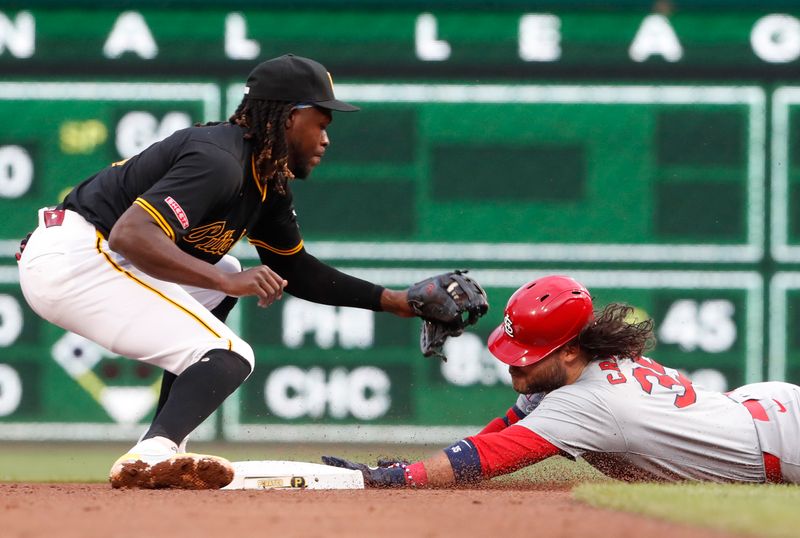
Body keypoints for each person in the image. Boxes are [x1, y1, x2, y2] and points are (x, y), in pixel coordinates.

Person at [16, 54, 484, 490]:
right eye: (320, 121)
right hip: (81, 255)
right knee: (229, 352)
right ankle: (151, 453)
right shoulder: (218, 160)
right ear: (286, 115)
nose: (326, 137)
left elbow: (296, 270)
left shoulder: (265, 181)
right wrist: (223, 281)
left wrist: (396, 301)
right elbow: (131, 235)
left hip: (88, 255)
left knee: (227, 267)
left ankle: (163, 451)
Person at [324, 275, 800, 486]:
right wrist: (425, 466)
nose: (513, 365)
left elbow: (488, 458)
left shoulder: (589, 402)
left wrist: (394, 478)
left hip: (784, 440)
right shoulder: (568, 376)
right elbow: (504, 430)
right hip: (756, 412)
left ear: (571, 349)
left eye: (526, 356)